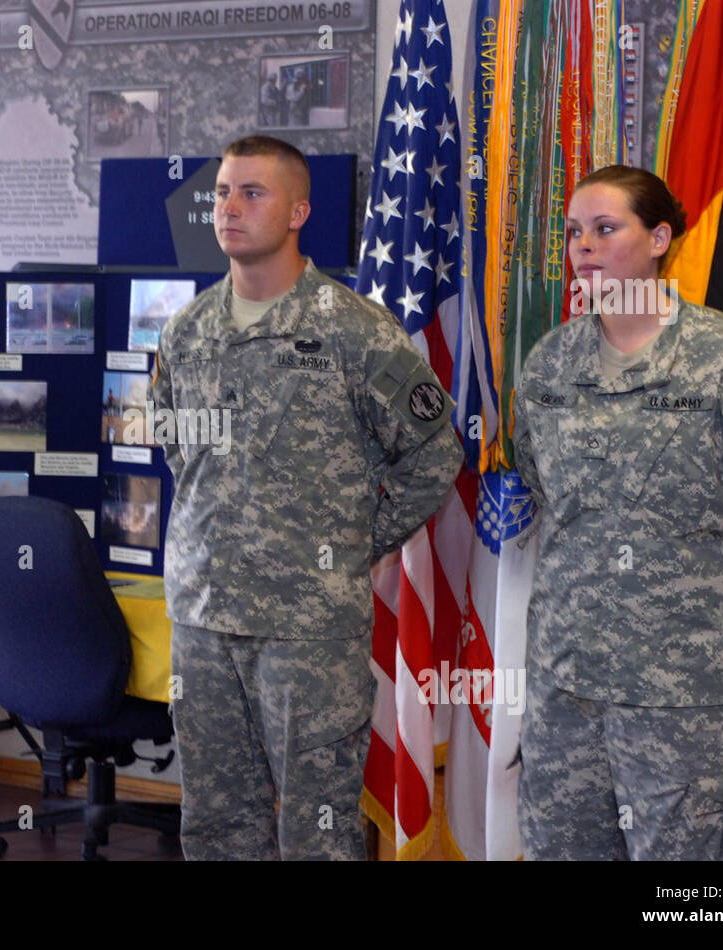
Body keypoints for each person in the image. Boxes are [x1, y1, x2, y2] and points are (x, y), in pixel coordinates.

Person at [150, 136, 462, 860]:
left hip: (309, 626)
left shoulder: (355, 330)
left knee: (316, 829)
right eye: (221, 193)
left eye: (251, 193)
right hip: (202, 618)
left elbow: (432, 452)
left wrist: (355, 541)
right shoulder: (187, 331)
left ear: (298, 212)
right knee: (215, 824)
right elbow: (178, 450)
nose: (229, 208)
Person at [511, 164, 723, 860]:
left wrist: (720, 597)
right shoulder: (550, 365)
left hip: (693, 702)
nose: (584, 246)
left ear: (659, 239)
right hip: (569, 697)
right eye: (574, 231)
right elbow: (544, 488)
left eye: (605, 228)